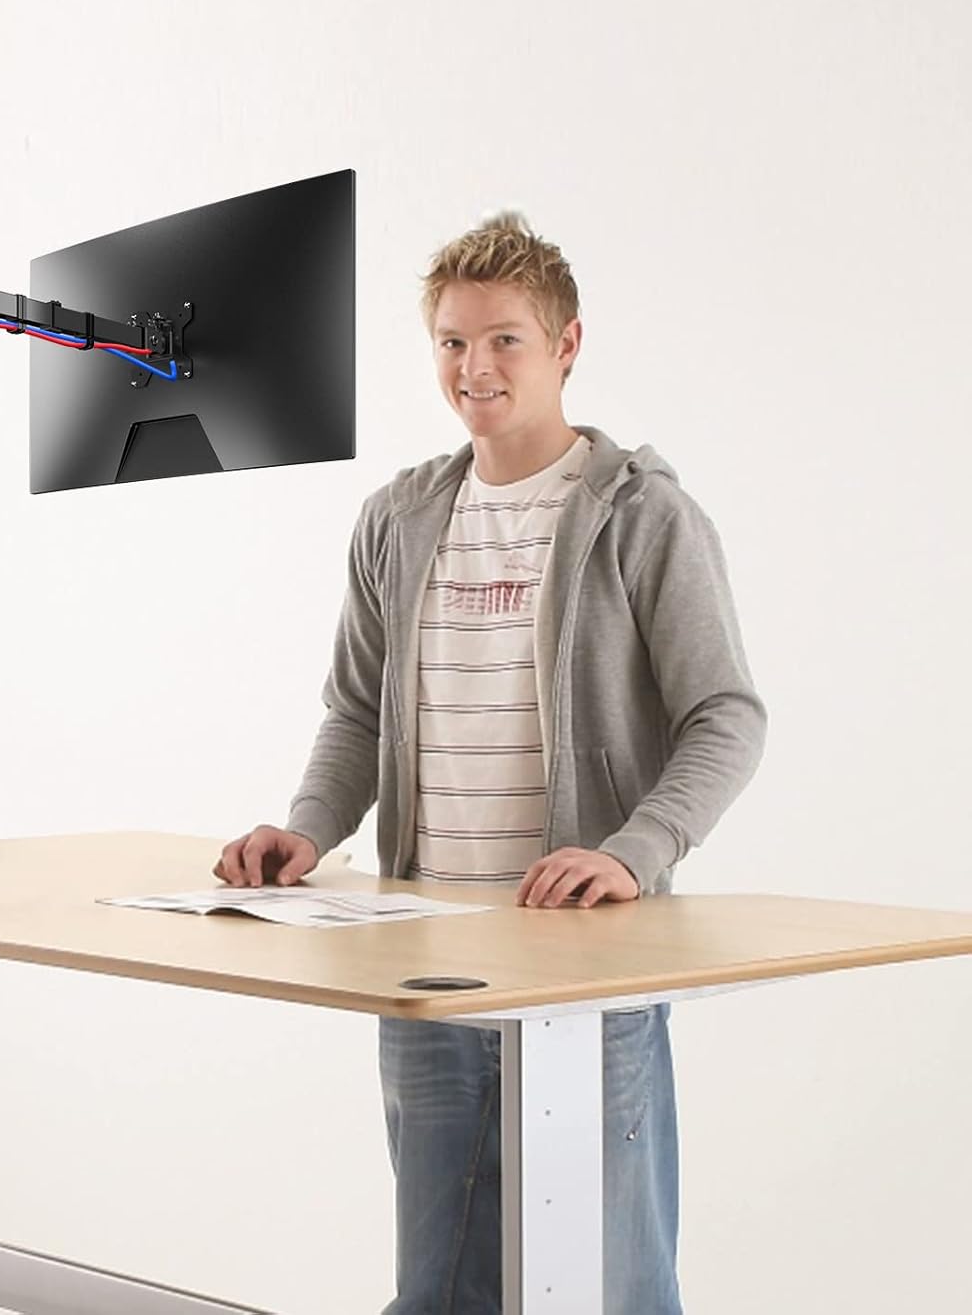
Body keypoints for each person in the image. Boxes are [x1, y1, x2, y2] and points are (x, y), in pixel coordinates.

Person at [214, 212, 767, 1313]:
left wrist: (632, 852)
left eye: (505, 339)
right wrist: (308, 830)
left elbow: (727, 715)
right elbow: (356, 712)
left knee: (611, 1283)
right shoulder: (400, 518)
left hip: (585, 962)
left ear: (566, 344)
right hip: (428, 958)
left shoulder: (643, 516)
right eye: (452, 342)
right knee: (441, 1286)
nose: (475, 368)